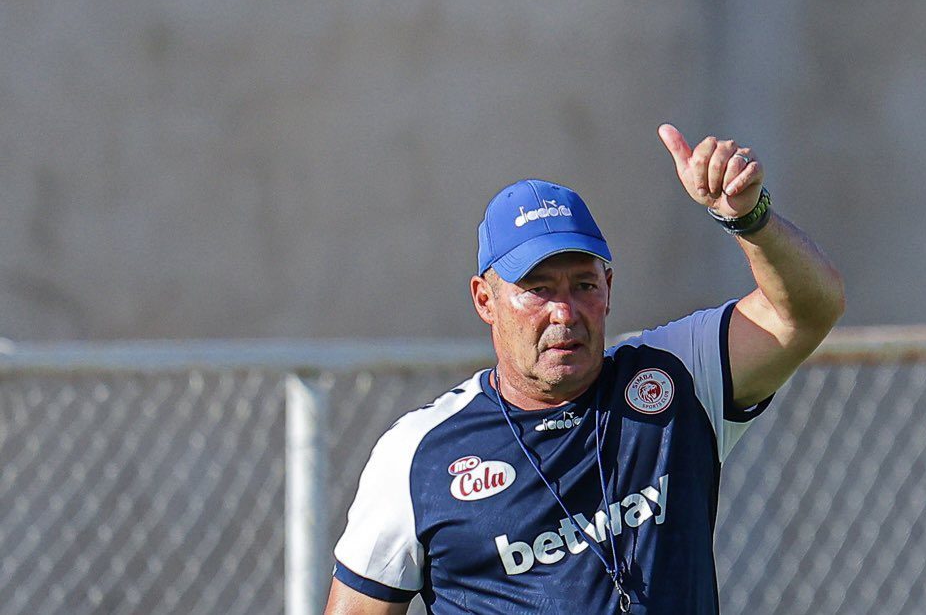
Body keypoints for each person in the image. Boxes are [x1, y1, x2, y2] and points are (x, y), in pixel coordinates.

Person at [324, 124, 845, 614]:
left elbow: (805, 313)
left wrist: (749, 218)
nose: (564, 312)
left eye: (584, 285)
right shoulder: (417, 455)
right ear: (485, 300)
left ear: (608, 289)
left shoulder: (677, 374)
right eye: (538, 289)